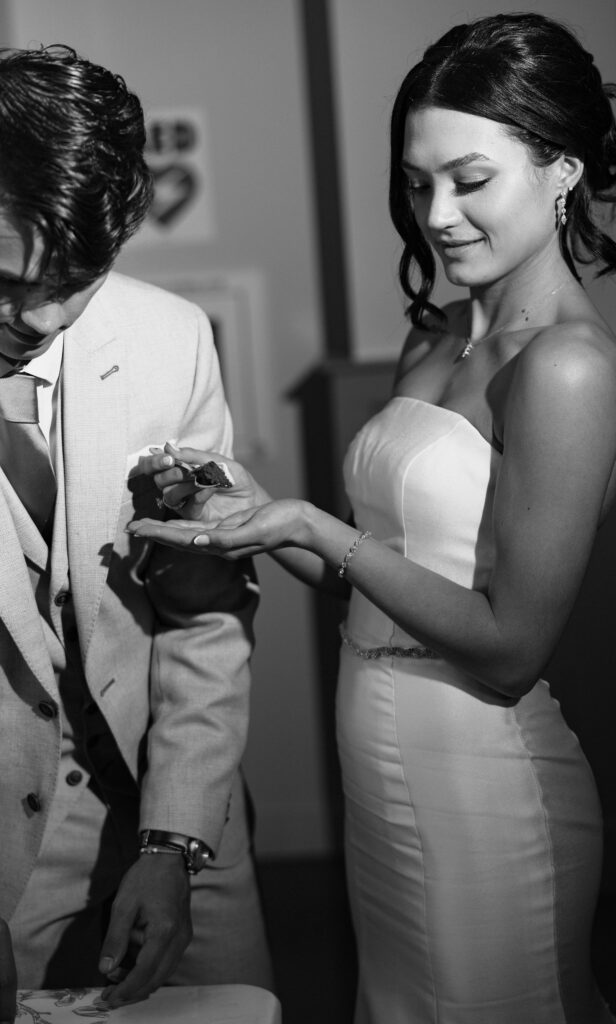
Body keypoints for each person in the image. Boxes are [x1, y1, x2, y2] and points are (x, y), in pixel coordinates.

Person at [129, 11, 616, 1023]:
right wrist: (253, 513)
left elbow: (509, 649)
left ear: (562, 171)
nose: (437, 215)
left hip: (486, 787)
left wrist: (316, 527)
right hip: (376, 764)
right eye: (416, 184)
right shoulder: (437, 336)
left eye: (469, 179)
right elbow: (381, 585)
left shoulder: (568, 367)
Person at [0, 44, 273, 1015]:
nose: (38, 316)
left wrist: (174, 839)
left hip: (178, 828)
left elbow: (205, 614)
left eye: (73, 280)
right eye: (7, 278)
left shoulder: (171, 340)